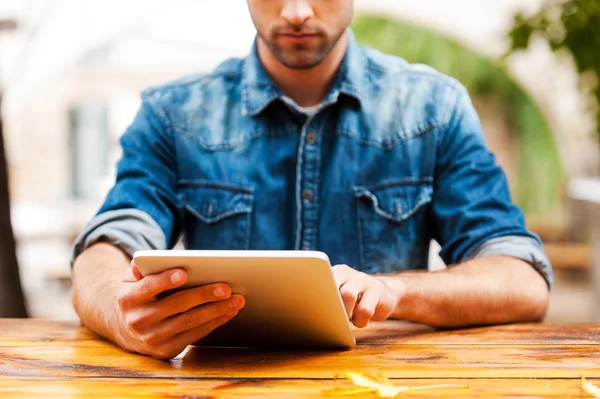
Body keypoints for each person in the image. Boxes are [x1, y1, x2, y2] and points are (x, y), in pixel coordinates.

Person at [71, 0, 552, 360]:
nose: (296, 11)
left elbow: (522, 281)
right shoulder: (172, 115)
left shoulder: (434, 109)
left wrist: (395, 292)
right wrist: (121, 313)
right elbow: (109, 244)